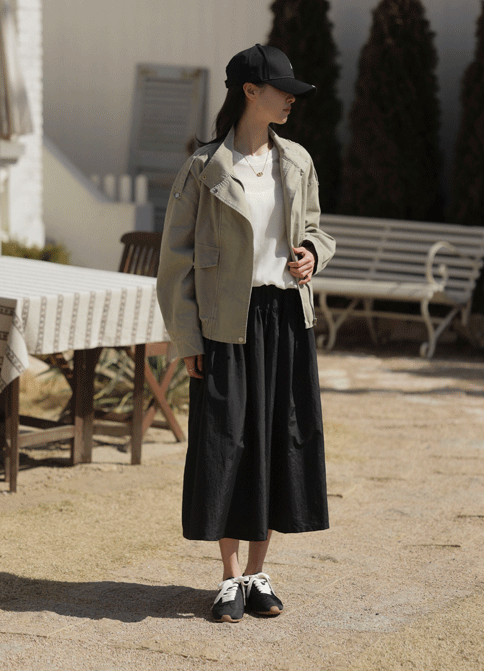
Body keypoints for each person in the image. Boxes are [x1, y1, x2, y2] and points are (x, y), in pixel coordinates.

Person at [156, 44, 336, 623]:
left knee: (278, 441)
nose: (291, 100)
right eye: (283, 90)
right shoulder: (203, 167)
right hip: (225, 325)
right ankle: (229, 578)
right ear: (250, 91)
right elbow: (174, 261)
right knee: (225, 443)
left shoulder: (297, 161)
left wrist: (313, 253)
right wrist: (188, 340)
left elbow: (316, 229)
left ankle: (259, 573)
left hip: (286, 319)